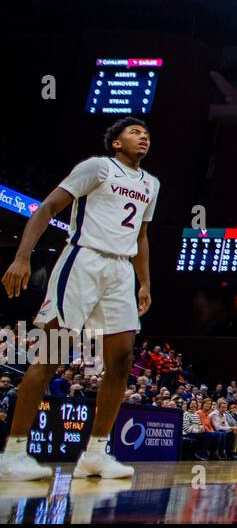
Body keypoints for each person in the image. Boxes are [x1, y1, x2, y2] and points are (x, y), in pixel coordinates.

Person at [0, 118, 158, 482]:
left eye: (147, 135)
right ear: (116, 143)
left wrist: (144, 282)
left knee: (121, 360)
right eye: (135, 133)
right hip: (83, 260)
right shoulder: (98, 167)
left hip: (121, 271)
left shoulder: (152, 184)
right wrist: (23, 256)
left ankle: (95, 454)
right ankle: (13, 452)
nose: (143, 138)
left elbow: (143, 235)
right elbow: (47, 208)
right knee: (52, 354)